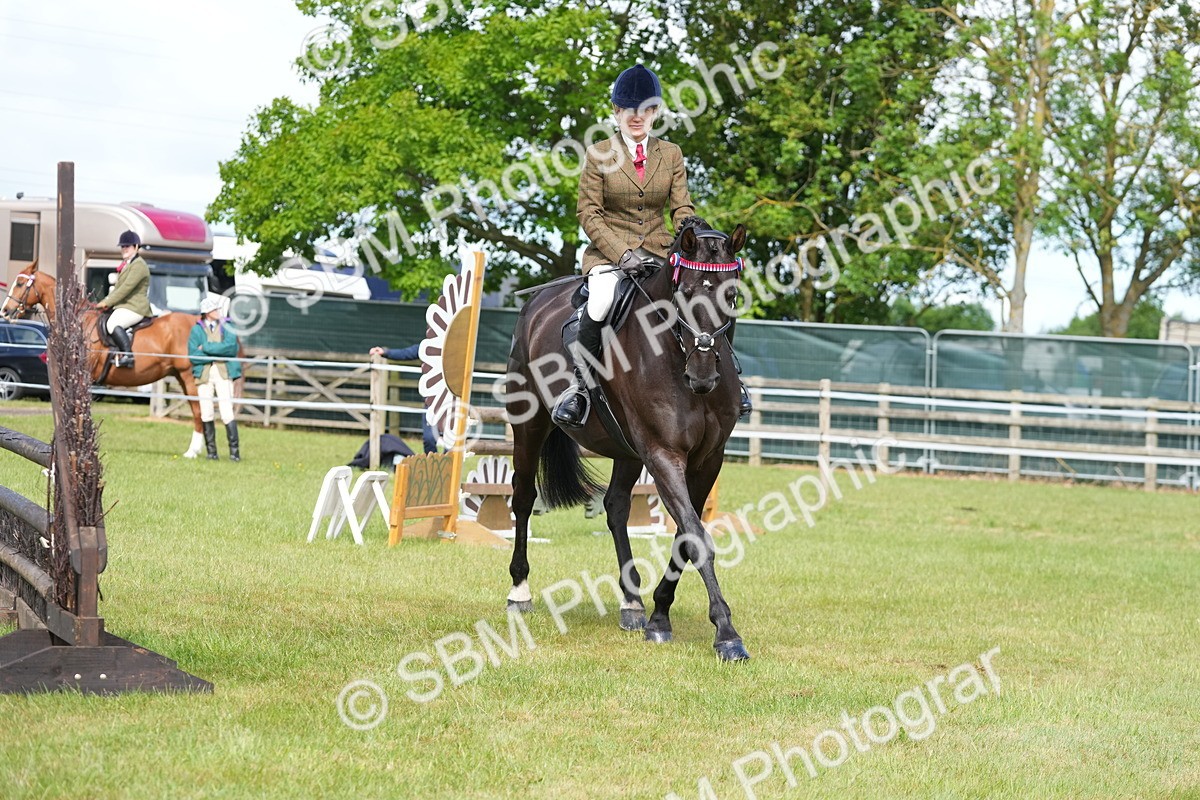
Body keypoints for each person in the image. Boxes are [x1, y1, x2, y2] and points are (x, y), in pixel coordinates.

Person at [552, 64, 752, 427]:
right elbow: (589, 213)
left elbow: (681, 207)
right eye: (629, 110)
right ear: (616, 111)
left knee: (709, 293)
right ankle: (579, 388)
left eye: (645, 110)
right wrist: (622, 254)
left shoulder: (671, 154)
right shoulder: (599, 153)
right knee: (601, 300)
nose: (637, 117)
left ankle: (731, 375)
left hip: (661, 252)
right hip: (610, 256)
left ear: (656, 112)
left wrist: (692, 230)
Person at [188, 294, 242, 461]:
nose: (218, 311)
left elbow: (231, 348)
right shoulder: (197, 330)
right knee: (206, 412)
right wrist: (217, 352)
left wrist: (206, 347)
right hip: (204, 374)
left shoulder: (228, 326)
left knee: (227, 412)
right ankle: (212, 453)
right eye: (214, 309)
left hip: (223, 373)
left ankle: (234, 453)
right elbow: (193, 355)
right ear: (207, 312)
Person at [369, 344, 439, 454]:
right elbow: (407, 353)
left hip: (453, 402)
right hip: (432, 401)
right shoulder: (429, 345)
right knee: (428, 438)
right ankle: (432, 463)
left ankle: (452, 464)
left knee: (451, 442)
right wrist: (385, 352)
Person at [97, 230, 151, 368]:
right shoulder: (128, 264)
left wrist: (106, 302)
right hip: (125, 306)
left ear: (136, 247)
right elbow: (117, 289)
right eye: (122, 246)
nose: (124, 249)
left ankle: (128, 355)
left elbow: (125, 288)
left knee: (112, 324)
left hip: (135, 307)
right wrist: (106, 302)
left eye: (127, 246)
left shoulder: (139, 265)